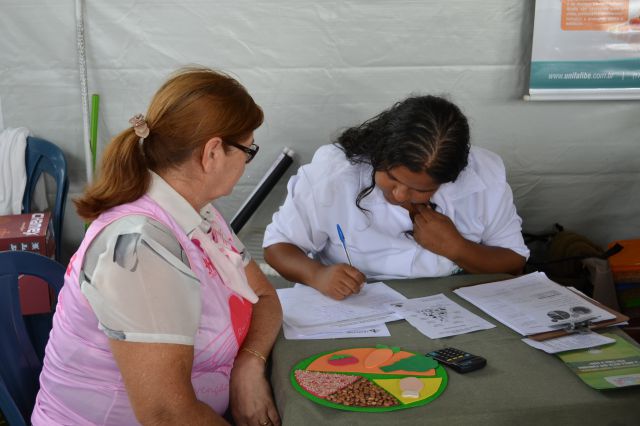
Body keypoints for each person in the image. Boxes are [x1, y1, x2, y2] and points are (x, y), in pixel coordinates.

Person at [32, 67, 282, 426]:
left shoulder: (197, 212)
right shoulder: (140, 248)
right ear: (212, 153)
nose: (246, 161)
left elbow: (265, 296)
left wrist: (249, 364)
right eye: (248, 149)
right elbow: (167, 415)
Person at [263, 95, 529, 300]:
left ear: (451, 179)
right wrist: (317, 274)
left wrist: (458, 248)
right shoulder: (333, 174)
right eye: (391, 177)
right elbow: (278, 246)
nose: (400, 194)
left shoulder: (484, 177)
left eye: (421, 190)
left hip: (452, 307)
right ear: (378, 154)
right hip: (353, 307)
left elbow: (514, 262)